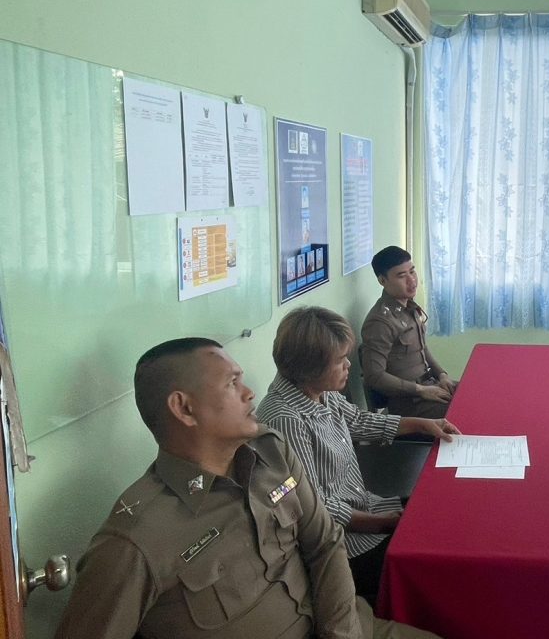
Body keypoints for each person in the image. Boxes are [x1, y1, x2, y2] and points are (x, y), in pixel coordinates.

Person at [56, 337, 442, 639]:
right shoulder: (135, 540)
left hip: (346, 626)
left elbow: (325, 543)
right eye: (232, 383)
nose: (249, 392)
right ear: (184, 408)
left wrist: (343, 633)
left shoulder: (270, 451)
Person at [257, 306, 460, 601]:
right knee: (432, 566)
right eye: (341, 360)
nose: (348, 366)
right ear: (310, 367)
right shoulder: (285, 420)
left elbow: (359, 420)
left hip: (365, 507)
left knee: (442, 510)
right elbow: (314, 505)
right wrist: (385, 523)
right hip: (342, 543)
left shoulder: (319, 391)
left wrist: (423, 424)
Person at [361, 247, 457, 418]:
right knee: (470, 410)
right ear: (382, 280)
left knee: (480, 394)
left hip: (430, 385)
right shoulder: (380, 322)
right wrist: (421, 390)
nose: (411, 280)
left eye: (412, 271)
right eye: (401, 276)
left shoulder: (409, 307)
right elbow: (374, 376)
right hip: (409, 403)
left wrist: (442, 375)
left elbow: (422, 349)